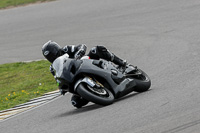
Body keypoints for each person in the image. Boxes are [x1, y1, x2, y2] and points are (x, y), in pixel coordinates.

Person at [42, 40, 127, 108]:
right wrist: (61, 88)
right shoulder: (52, 68)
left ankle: (121, 63)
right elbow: (57, 79)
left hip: (83, 63)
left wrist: (80, 51)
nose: (52, 57)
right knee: (75, 102)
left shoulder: (66, 49)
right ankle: (95, 94)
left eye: (52, 54)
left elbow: (82, 46)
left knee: (97, 50)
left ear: (56, 49)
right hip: (74, 78)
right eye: (49, 57)